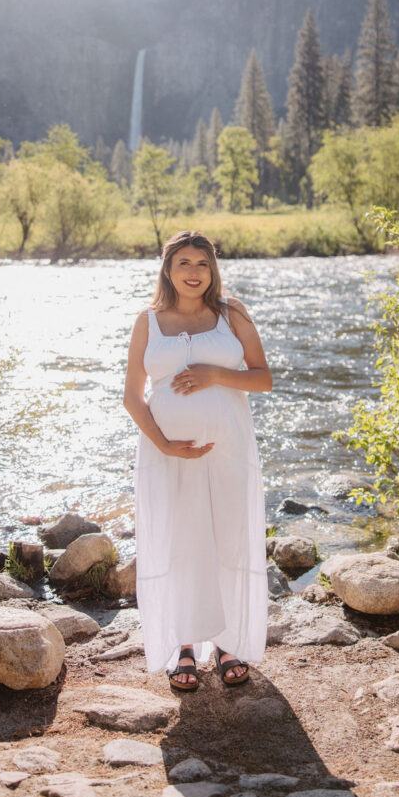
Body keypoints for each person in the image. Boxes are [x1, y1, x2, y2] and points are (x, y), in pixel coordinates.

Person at [123, 229, 272, 691]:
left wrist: (215, 375)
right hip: (168, 456)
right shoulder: (148, 320)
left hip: (229, 449)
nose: (194, 273)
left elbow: (263, 378)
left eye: (202, 264)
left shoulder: (231, 314)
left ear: (213, 270)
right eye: (183, 263)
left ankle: (228, 644)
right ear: (168, 269)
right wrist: (164, 444)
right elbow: (131, 397)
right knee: (181, 543)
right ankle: (183, 646)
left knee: (229, 538)